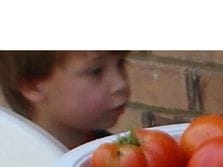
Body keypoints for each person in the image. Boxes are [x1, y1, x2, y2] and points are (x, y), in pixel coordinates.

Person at [0, 51, 130, 149]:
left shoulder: (117, 150)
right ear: (33, 86)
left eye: (121, 62)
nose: (120, 84)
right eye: (95, 71)